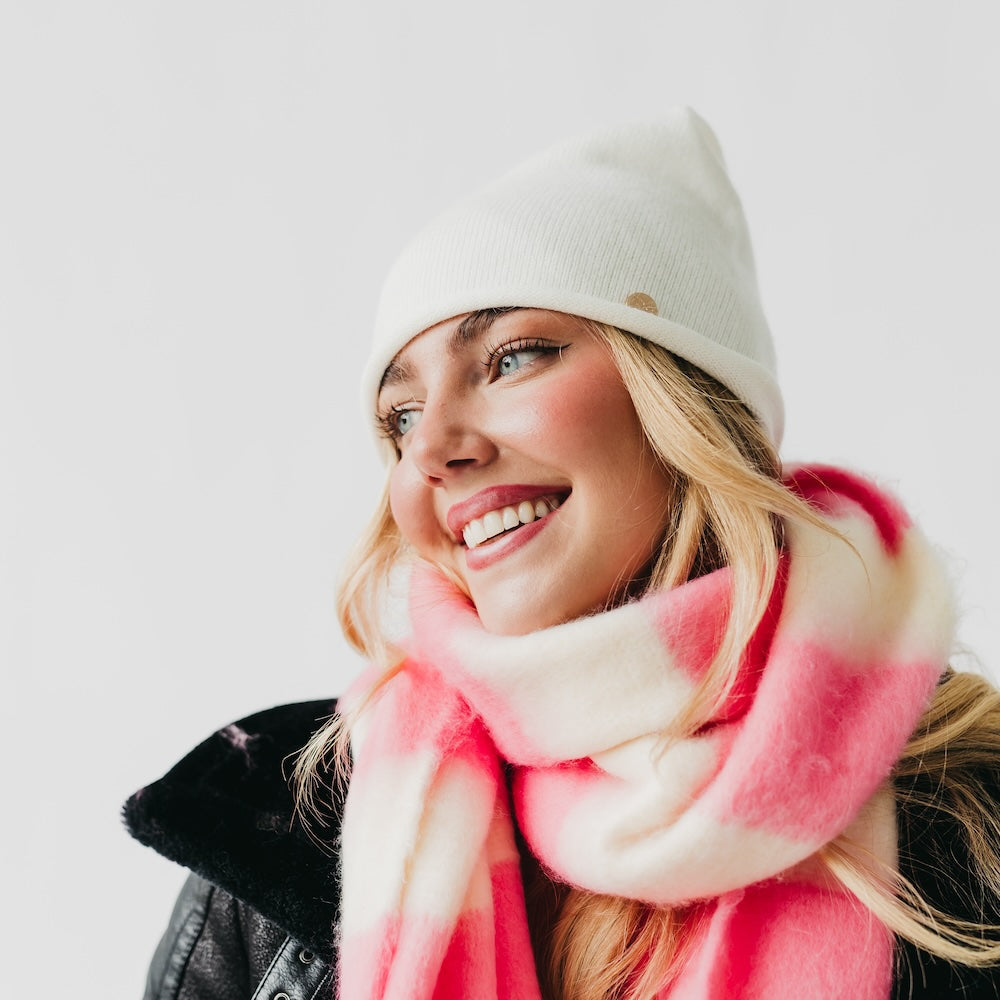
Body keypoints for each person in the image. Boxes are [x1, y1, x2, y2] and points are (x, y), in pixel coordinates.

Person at [125, 108, 1000, 999]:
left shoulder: (968, 817)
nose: (432, 451)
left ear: (685, 395)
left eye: (511, 358)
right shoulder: (291, 822)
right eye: (400, 416)